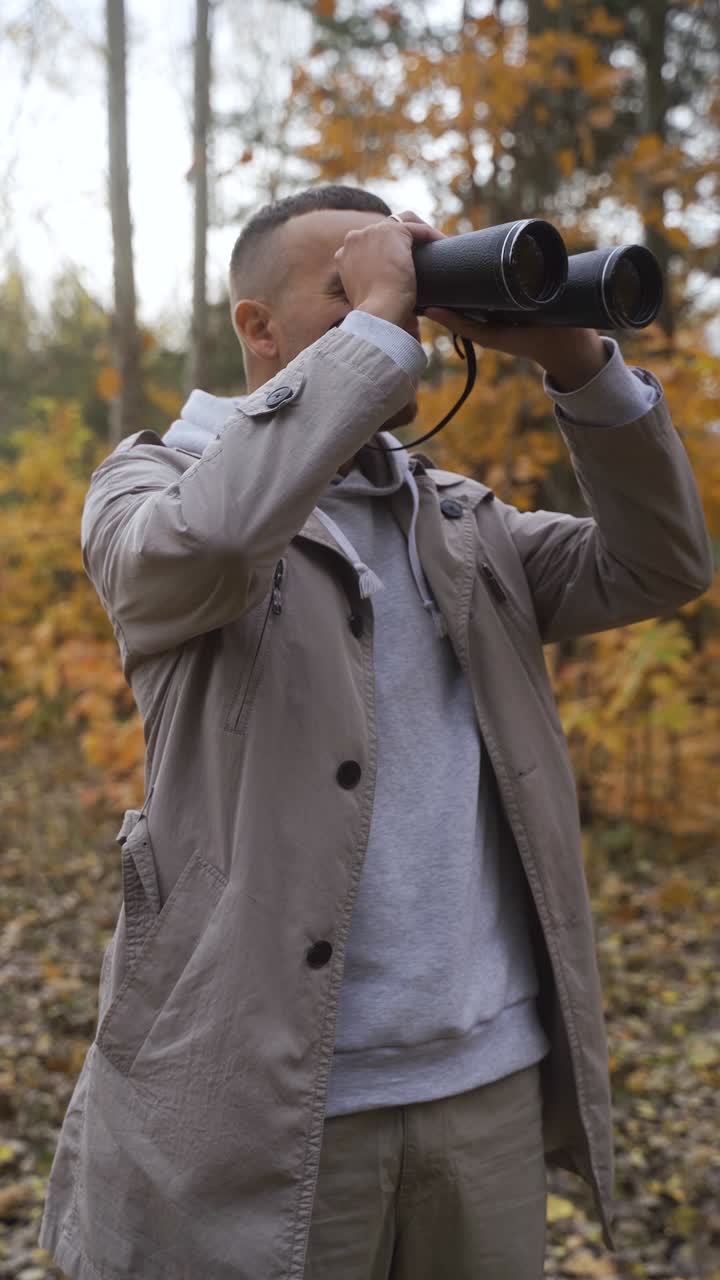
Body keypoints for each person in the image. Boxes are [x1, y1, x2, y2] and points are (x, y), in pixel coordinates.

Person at [39, 185, 713, 1280]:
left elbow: (660, 563)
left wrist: (578, 363)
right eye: (350, 287)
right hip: (264, 1100)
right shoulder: (149, 483)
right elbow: (200, 552)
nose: (396, 318)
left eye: (407, 287)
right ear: (257, 326)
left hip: (485, 1086)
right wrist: (369, 344)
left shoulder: (458, 520)